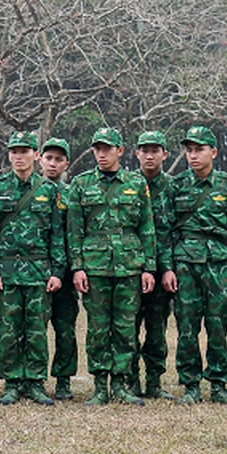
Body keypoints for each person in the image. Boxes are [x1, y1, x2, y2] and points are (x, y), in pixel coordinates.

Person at [64, 127, 155, 406]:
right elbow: (74, 231)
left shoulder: (137, 183)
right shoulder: (80, 184)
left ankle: (121, 382)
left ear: (120, 150)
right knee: (98, 328)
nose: (101, 154)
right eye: (97, 149)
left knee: (126, 328)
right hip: (95, 268)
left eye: (107, 148)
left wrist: (149, 267)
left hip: (129, 266)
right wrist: (77, 267)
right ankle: (100, 385)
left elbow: (146, 227)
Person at [161, 125, 227, 406]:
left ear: (214, 152)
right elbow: (165, 230)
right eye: (189, 150)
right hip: (185, 265)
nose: (193, 156)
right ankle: (191, 384)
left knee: (218, 325)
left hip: (219, 264)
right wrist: (168, 268)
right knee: (187, 326)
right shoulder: (176, 185)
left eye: (199, 150)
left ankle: (219, 385)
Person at [0, 131, 65, 405]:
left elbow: (56, 235)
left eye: (25, 151)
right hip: (6, 273)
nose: (19, 156)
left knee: (37, 330)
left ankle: (36, 382)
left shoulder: (49, 190)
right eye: (14, 151)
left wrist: (57, 271)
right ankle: (12, 382)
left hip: (39, 272)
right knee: (8, 329)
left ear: (35, 155)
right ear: (9, 155)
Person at [132, 131, 175, 400]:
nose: (149, 155)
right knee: (129, 327)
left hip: (162, 270)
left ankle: (155, 382)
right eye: (144, 150)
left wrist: (168, 267)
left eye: (155, 150)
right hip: (132, 269)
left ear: (164, 154)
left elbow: (175, 230)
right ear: (136, 153)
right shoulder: (127, 184)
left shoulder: (174, 186)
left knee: (157, 328)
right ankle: (131, 380)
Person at [40, 136, 78, 400]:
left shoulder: (73, 193)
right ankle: (33, 378)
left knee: (65, 329)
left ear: (66, 163)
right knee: (34, 328)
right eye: (48, 158)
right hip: (38, 272)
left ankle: (63, 380)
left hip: (65, 274)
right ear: (40, 160)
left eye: (58, 159)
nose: (53, 164)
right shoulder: (31, 191)